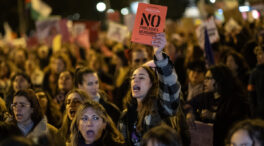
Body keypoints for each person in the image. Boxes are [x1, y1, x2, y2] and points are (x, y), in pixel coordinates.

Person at [118, 33, 181, 146]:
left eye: (141, 77)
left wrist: (159, 55)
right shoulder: (125, 115)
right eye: (133, 78)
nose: (135, 81)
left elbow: (171, 87)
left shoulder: (161, 108)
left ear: (152, 84)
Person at [186, 65, 251, 146]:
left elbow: (237, 123)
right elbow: (189, 104)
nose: (204, 81)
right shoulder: (206, 96)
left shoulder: (236, 99)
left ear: (220, 80)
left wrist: (214, 116)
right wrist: (190, 113)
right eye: (205, 78)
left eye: (209, 78)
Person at [248, 45, 264, 119]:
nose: (258, 56)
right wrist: (254, 111)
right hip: (260, 113)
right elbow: (251, 93)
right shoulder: (254, 73)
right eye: (257, 54)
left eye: (261, 53)